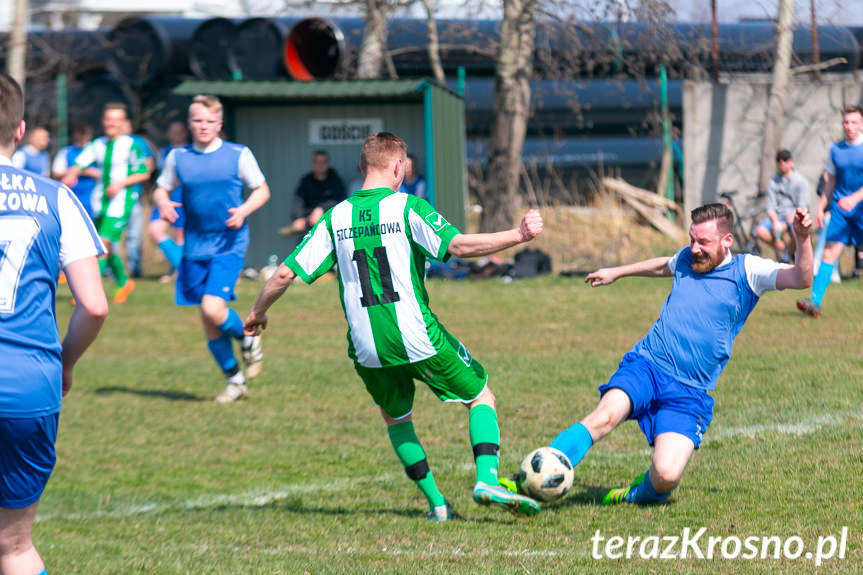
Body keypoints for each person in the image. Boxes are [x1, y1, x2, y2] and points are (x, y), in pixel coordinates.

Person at [244, 132, 544, 521]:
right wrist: (518, 235)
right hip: (417, 337)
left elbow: (284, 273)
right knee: (481, 397)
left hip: (367, 348)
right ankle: (486, 478)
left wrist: (257, 311)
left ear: (361, 167)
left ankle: (437, 505)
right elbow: (459, 248)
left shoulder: (336, 216)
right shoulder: (407, 207)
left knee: (397, 419)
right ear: (399, 166)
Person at [506, 204, 812, 507]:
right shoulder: (687, 258)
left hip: (689, 391)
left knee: (665, 475)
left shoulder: (748, 271)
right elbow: (662, 264)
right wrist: (617, 272)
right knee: (604, 417)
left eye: (703, 242)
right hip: (648, 365)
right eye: (692, 239)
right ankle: (527, 480)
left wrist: (802, 238)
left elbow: (801, 279)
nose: (694, 249)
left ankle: (635, 494)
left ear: (727, 240)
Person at [0, 72, 108, 575]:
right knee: (14, 547)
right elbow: (95, 305)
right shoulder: (57, 197)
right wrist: (63, 364)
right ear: (19, 130)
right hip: (28, 381)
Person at [153, 95, 270, 403]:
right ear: (189, 123)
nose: (203, 126)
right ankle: (235, 380)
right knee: (208, 320)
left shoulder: (238, 154)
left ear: (219, 124)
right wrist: (164, 203)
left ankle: (247, 337)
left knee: (212, 308)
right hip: (194, 247)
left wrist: (244, 210)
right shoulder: (178, 157)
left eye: (209, 121)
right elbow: (161, 188)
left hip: (228, 244)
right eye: (197, 120)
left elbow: (262, 189)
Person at [61, 103, 151, 303]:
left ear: (123, 123)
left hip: (121, 203)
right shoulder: (98, 144)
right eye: (108, 119)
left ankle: (90, 291)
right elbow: (79, 164)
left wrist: (121, 184)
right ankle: (124, 282)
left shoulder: (131, 144)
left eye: (116, 119)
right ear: (104, 121)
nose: (111, 123)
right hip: (100, 202)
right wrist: (70, 176)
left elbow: (144, 172)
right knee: (104, 246)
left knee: (102, 243)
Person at [797, 105, 863, 318]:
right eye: (846, 122)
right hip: (841, 210)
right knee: (828, 253)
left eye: (854, 122)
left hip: (860, 207)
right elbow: (831, 180)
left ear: (861, 124)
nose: (849, 126)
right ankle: (814, 302)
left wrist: (854, 198)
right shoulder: (835, 149)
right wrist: (821, 206)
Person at [149, 120, 189, 282]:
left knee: (180, 236)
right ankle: (181, 268)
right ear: (168, 134)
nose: (176, 135)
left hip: (182, 196)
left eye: (179, 131)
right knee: (155, 229)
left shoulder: (189, 151)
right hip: (166, 196)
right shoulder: (164, 152)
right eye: (173, 132)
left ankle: (177, 273)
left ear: (185, 133)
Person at [753, 149, 809, 262]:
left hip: (794, 216)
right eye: (779, 160)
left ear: (791, 162)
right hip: (777, 217)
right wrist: (775, 222)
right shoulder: (772, 182)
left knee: (795, 231)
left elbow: (803, 206)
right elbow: (770, 206)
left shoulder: (801, 182)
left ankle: (787, 257)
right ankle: (785, 250)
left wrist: (790, 220)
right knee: (759, 231)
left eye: (785, 159)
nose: (782, 163)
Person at [281, 150, 345, 236]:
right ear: (313, 164)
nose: (320, 165)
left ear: (328, 164)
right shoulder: (306, 181)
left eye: (323, 162)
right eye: (317, 162)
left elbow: (339, 201)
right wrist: (298, 218)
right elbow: (299, 201)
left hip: (329, 225)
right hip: (308, 225)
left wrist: (322, 209)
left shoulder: (335, 181)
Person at [122, 119, 155, 279]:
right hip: (111, 198)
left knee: (134, 235)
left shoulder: (139, 143)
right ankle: (113, 271)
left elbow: (149, 167)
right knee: (110, 239)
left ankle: (134, 269)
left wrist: (128, 177)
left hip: (133, 196)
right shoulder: (105, 145)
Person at [51, 122, 98, 220]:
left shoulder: (96, 150)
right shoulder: (66, 151)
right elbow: (56, 173)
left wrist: (86, 171)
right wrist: (73, 171)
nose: (82, 137)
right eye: (80, 133)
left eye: (84, 134)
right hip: (71, 196)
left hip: (92, 199)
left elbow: (107, 173)